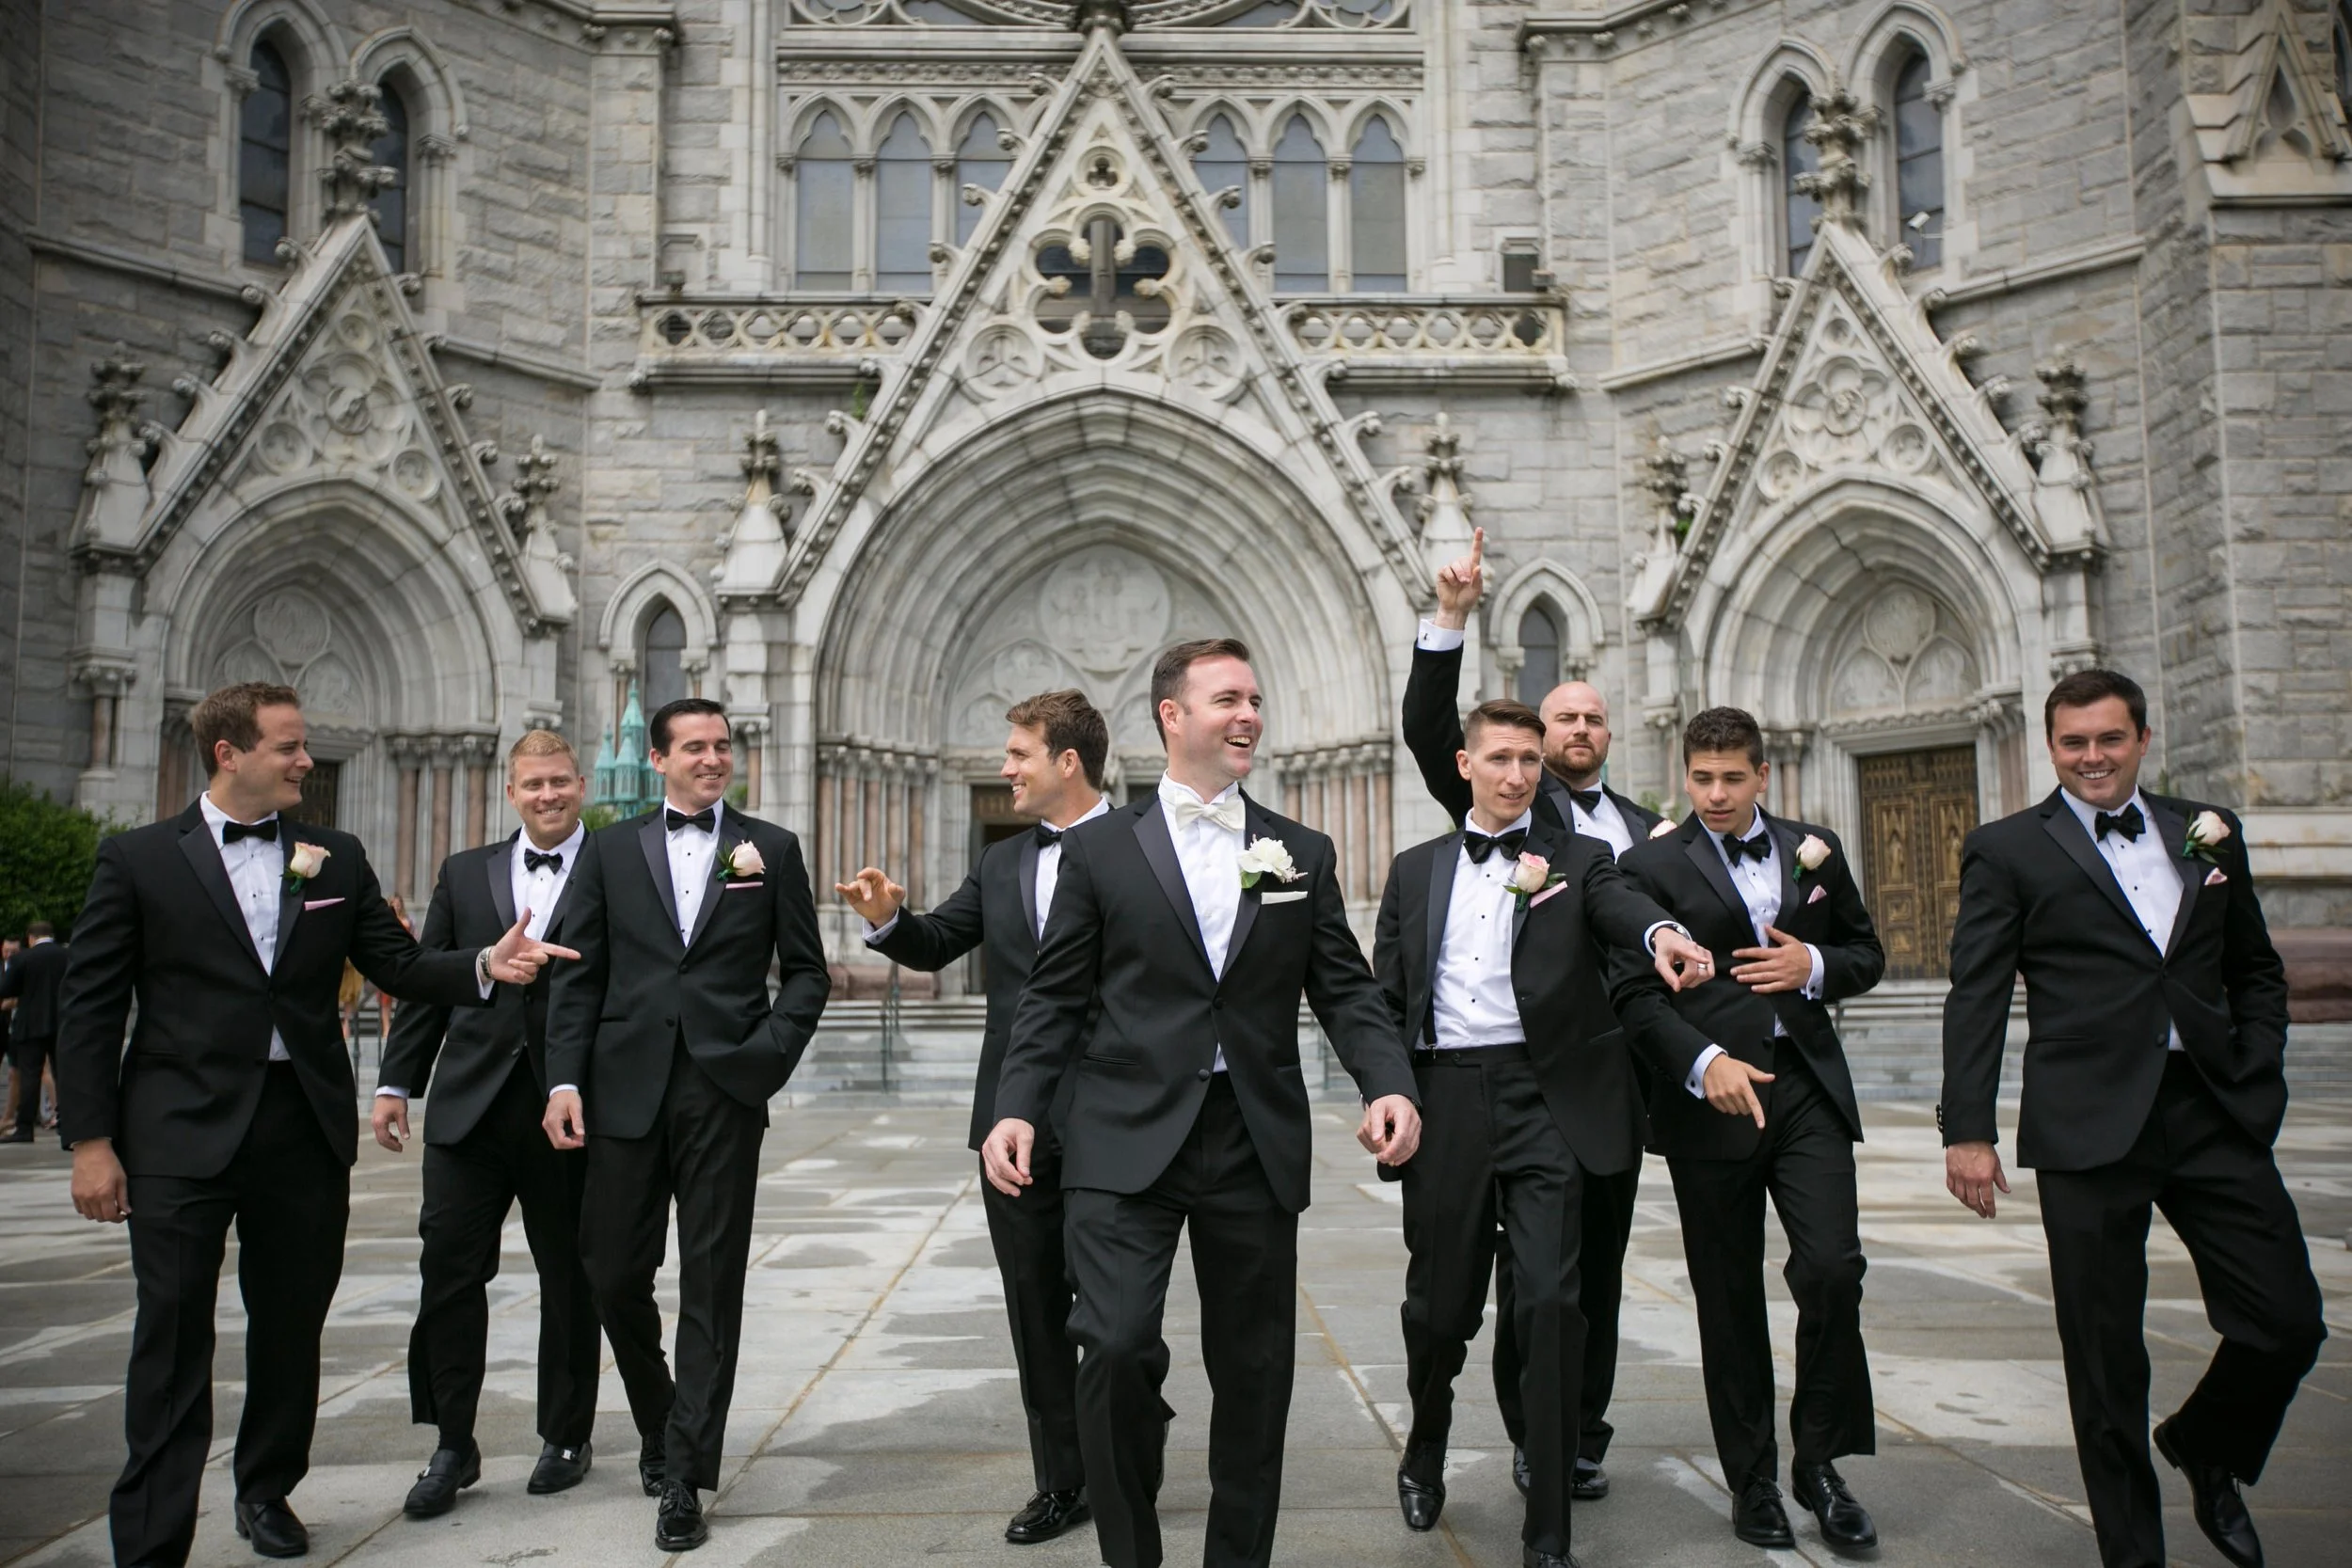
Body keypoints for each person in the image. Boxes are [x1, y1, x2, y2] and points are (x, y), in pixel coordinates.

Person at [53, 682, 572, 1568]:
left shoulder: (333, 854)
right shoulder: (137, 859)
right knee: (171, 1332)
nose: (305, 760)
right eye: (289, 747)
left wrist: (485, 961)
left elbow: (400, 964)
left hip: (302, 1132)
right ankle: (151, 1537)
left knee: (290, 1324)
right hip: (176, 1135)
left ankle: (266, 1488)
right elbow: (92, 1007)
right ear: (229, 753)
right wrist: (92, 1143)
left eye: (303, 748)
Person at [981, 639, 1422, 1568]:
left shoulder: (1298, 849)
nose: (1249, 713)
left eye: (1256, 697)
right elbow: (1054, 993)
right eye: (1228, 697)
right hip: (1120, 1132)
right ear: (1171, 715)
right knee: (1113, 1344)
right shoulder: (1100, 848)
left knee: (1255, 1371)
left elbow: (1342, 986)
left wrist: (1386, 1081)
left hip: (1250, 1136)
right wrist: (1016, 1105)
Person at [1941, 668, 2322, 1568]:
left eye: (2109, 739)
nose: (2092, 757)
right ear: (2050, 747)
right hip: (2087, 1125)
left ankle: (2208, 1443)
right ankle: (2133, 1556)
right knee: (2106, 1361)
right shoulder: (2007, 848)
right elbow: (1978, 994)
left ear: (2142, 739)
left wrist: (2255, 1059)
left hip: (2209, 1111)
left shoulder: (2206, 829)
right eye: (2073, 743)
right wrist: (1968, 1128)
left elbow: (2255, 967)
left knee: (2288, 1317)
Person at [1373, 699, 1714, 1568]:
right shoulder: (1415, 872)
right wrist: (1385, 1091)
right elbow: (1384, 1004)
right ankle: (1427, 1437)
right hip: (1447, 1099)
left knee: (1554, 1303)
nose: (1519, 774)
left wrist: (1662, 930)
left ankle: (1550, 1526)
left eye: (1530, 759)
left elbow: (1618, 902)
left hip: (1548, 1098)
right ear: (1466, 766)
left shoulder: (1580, 858)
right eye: (1501, 758)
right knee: (1441, 1309)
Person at [1398, 526, 1664, 1499]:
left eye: (1593, 716)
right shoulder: (1523, 810)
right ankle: (1515, 1435)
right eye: (1560, 720)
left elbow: (1653, 915)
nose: (1575, 732)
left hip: (1605, 1086)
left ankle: (1565, 1437)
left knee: (1574, 1285)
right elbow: (1433, 731)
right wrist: (1450, 617)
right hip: (1492, 1078)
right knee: (1470, 1291)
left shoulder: (1642, 829)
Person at [543, 697, 829, 1551]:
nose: (712, 759)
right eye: (694, 747)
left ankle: (687, 1474)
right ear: (658, 759)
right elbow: (577, 977)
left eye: (722, 746)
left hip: (724, 1092)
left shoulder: (770, 849)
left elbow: (807, 972)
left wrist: (768, 1052)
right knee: (610, 1270)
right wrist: (563, 1079)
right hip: (622, 1091)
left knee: (712, 1282)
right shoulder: (609, 848)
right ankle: (664, 1415)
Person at [835, 689, 1110, 1545]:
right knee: (1034, 1307)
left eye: (1019, 752)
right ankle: (1063, 1478)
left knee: (1115, 1314)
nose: (1005, 767)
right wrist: (886, 918)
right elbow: (937, 941)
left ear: (1067, 761)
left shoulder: (1146, 844)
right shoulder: (999, 865)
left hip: (1116, 1113)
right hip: (1009, 1124)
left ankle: (1125, 1428)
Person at [1613, 706, 1886, 1552]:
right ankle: (1754, 1477)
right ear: (1685, 774)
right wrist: (1702, 1064)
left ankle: (1822, 1460)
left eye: (1734, 778)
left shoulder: (1817, 847)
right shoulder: (1648, 865)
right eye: (1703, 778)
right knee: (1729, 1298)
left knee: (1834, 1269)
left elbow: (1866, 954)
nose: (1718, 793)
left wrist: (1816, 965)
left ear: (1763, 775)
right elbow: (1634, 996)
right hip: (1711, 1102)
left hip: (1805, 1088)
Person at [373, 729, 604, 1517]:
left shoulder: (614, 866)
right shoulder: (464, 872)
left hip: (567, 1110)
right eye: (532, 784)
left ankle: (566, 1434)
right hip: (468, 1107)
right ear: (512, 792)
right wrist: (396, 1082)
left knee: (570, 1276)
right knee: (448, 1272)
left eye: (560, 782)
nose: (547, 795)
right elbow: (428, 978)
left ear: (583, 783)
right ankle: (451, 1441)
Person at [1, 924, 69, 1143]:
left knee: (30, 1077)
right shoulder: (67, 956)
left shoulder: (24, 959)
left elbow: (6, 990)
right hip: (62, 1023)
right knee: (63, 1075)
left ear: (30, 937)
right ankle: (67, 1124)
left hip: (31, 1026)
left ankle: (24, 1128)